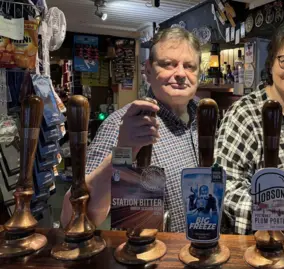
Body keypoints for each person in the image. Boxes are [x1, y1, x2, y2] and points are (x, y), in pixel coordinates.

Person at [61, 27, 202, 232]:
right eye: (167, 64)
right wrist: (125, 150)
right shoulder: (123, 123)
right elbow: (72, 219)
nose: (180, 73)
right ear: (148, 70)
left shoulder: (206, 118)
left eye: (189, 66)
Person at [215, 21, 284, 242]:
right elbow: (225, 188)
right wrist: (280, 215)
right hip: (268, 249)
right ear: (271, 63)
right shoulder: (245, 114)